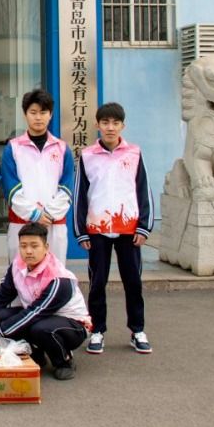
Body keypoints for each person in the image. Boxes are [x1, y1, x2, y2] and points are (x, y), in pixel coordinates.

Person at [73, 102, 153, 355]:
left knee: (133, 282)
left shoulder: (134, 153)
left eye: (115, 123)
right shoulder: (87, 156)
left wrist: (144, 227)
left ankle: (137, 330)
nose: (110, 127)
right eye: (105, 122)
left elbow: (143, 190)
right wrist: (81, 231)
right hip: (97, 228)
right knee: (97, 282)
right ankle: (97, 331)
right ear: (97, 125)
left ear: (122, 126)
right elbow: (80, 194)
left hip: (129, 228)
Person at [0, 222, 90, 381]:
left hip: (73, 326)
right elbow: (1, 296)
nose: (28, 251)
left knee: (41, 329)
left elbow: (34, 313)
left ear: (46, 247)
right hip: (40, 316)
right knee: (2, 315)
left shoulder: (59, 279)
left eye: (34, 246)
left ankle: (64, 361)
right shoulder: (17, 266)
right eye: (23, 246)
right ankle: (36, 354)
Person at [1, 89, 75, 264]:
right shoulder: (13, 148)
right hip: (21, 223)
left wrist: (48, 215)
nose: (38, 117)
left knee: (54, 273)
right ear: (25, 114)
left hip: (54, 224)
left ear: (51, 114)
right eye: (33, 112)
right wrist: (34, 215)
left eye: (43, 112)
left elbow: (67, 187)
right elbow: (11, 188)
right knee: (21, 273)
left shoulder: (62, 149)